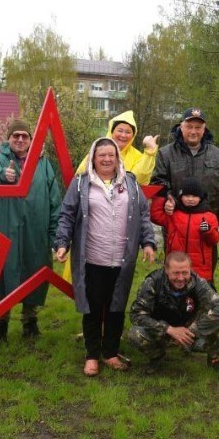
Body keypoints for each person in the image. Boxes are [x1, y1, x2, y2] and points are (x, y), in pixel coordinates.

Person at [55, 137, 157, 376]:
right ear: (93, 157)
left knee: (116, 307)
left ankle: (110, 352)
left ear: (117, 157)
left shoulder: (130, 182)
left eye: (111, 154)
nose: (107, 159)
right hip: (92, 258)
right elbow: (67, 214)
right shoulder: (81, 183)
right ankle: (92, 356)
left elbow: (143, 214)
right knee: (92, 308)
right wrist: (62, 243)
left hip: (123, 260)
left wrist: (148, 242)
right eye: (101, 155)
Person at [0, 119, 62, 343]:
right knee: (3, 274)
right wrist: (2, 176)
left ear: (30, 140)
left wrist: (53, 234)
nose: (20, 139)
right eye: (15, 135)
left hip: (36, 230)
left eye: (24, 136)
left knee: (35, 272)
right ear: (8, 139)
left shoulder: (43, 163)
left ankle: (30, 321)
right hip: (6, 228)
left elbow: (55, 200)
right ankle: (1, 323)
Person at [151, 107, 219, 278]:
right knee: (176, 275)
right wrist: (168, 198)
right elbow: (158, 183)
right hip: (177, 228)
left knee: (204, 275)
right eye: (189, 126)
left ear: (204, 130)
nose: (193, 131)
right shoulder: (165, 154)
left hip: (206, 230)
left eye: (198, 127)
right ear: (181, 127)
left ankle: (202, 304)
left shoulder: (218, 156)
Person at [126, 251, 219, 378]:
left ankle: (214, 359)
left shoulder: (198, 282)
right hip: (163, 330)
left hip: (190, 330)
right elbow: (136, 315)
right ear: (166, 270)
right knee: (134, 334)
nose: (181, 278)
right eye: (176, 273)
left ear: (190, 270)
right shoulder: (152, 282)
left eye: (185, 273)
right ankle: (157, 355)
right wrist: (169, 329)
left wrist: (191, 331)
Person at [150, 177, 219, 285]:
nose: (190, 199)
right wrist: (160, 195)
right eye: (187, 195)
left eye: (194, 196)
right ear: (180, 196)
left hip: (200, 270)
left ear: (201, 197)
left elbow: (214, 240)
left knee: (200, 299)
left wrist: (208, 231)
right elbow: (155, 216)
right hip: (176, 266)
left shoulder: (210, 216)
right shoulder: (174, 214)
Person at [75, 110, 158, 185]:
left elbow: (138, 180)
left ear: (133, 136)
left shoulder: (137, 156)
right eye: (120, 130)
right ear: (112, 131)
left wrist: (150, 151)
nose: (123, 135)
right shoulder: (97, 151)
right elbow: (80, 176)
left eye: (128, 132)